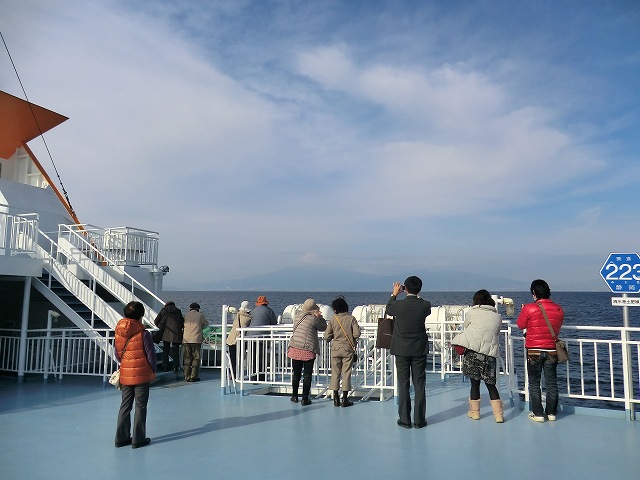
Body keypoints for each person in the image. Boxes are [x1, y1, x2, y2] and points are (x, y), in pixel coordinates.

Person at [385, 276, 432, 429]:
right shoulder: (425, 305)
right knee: (419, 384)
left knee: (403, 384)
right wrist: (416, 295)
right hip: (419, 349)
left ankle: (405, 420)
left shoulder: (398, 305)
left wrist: (394, 294)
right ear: (420, 289)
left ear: (405, 288)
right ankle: (419, 420)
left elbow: (388, 308)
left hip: (401, 349)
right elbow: (425, 307)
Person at [451, 289, 504, 422]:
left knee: (474, 384)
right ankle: (499, 415)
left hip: (473, 352)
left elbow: (466, 326)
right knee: (491, 384)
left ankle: (475, 413)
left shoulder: (472, 312)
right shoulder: (497, 316)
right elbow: (497, 332)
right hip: (489, 354)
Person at [517, 279, 564, 422]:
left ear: (534, 292)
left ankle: (538, 413)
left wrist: (524, 311)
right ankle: (551, 413)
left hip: (534, 351)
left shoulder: (529, 308)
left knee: (534, 382)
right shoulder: (558, 309)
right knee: (551, 382)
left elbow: (520, 325)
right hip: (552, 350)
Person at [114, 301, 157, 449]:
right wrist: (153, 371)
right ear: (141, 315)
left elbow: (118, 354)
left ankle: (121, 438)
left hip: (126, 374)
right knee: (140, 406)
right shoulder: (144, 333)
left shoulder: (118, 332)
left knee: (125, 405)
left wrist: (126, 364)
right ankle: (138, 438)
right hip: (142, 374)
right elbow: (151, 356)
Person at [287, 298, 327, 406]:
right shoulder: (313, 319)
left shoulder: (297, 316)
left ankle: (294, 396)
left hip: (295, 347)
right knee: (307, 375)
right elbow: (323, 327)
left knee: (296, 374)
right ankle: (305, 398)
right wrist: (320, 317)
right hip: (307, 349)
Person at [324, 296, 361, 407]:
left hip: (335, 349)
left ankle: (335, 397)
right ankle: (345, 399)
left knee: (335, 373)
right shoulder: (351, 319)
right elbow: (357, 334)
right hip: (347, 349)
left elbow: (326, 337)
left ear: (335, 309)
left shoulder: (333, 320)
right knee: (346, 373)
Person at [247, 295, 277, 381]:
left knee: (253, 357)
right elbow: (274, 324)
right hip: (262, 338)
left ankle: (253, 377)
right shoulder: (270, 311)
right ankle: (261, 377)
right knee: (262, 358)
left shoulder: (253, 311)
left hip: (250, 337)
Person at [154, 301, 184, 373]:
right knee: (176, 350)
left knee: (165, 350)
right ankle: (176, 366)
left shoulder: (164, 311)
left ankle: (165, 366)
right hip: (176, 334)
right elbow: (182, 322)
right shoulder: (178, 311)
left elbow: (156, 321)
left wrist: (160, 327)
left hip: (165, 333)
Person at [182, 302, 209, 382]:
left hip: (186, 339)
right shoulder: (200, 315)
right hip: (196, 339)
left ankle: (187, 376)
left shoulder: (186, 315)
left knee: (187, 358)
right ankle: (193, 376)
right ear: (198, 309)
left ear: (190, 308)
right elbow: (206, 324)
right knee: (196, 358)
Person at [226, 300, 252, 378]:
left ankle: (232, 374)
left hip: (231, 338)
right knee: (239, 358)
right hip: (239, 340)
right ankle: (235, 374)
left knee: (232, 358)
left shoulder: (236, 315)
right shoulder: (248, 318)